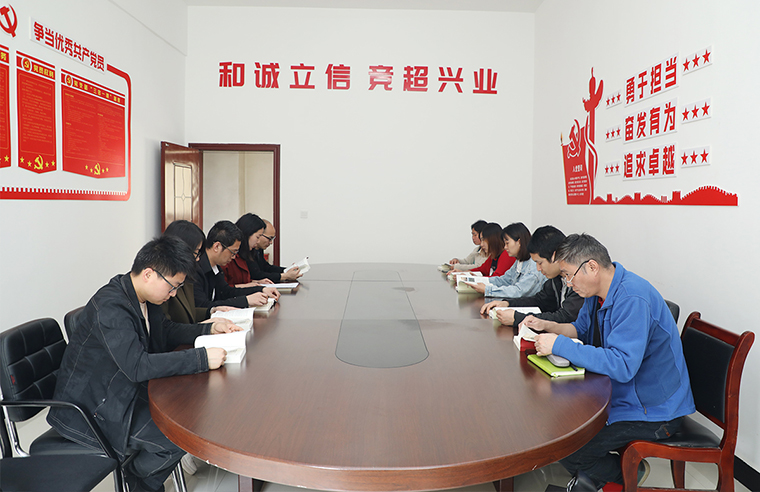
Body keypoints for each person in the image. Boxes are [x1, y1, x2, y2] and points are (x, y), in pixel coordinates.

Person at [47, 236, 242, 492]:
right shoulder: (111, 306)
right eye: (172, 287)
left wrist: (208, 328)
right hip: (93, 408)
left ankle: (139, 480)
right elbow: (137, 366)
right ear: (149, 274)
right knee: (178, 436)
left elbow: (165, 330)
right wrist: (201, 358)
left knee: (189, 413)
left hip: (122, 391)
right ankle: (138, 481)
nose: (174, 294)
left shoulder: (144, 296)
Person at [523, 234, 695, 491]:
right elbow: (580, 329)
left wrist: (559, 345)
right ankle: (591, 482)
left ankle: (630, 472)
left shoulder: (632, 297)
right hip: (625, 394)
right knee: (559, 426)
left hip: (654, 410)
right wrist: (548, 326)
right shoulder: (597, 293)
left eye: (568, 275)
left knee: (570, 449)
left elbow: (623, 366)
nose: (568, 284)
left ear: (592, 267)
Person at [480, 225, 583, 328]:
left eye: (540, 263)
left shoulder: (578, 279)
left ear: (555, 256)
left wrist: (518, 318)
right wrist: (507, 303)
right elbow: (539, 300)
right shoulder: (556, 278)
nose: (538, 269)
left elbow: (565, 317)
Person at [194, 220, 280, 312]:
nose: (234, 257)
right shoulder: (197, 269)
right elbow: (203, 306)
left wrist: (261, 289)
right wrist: (246, 301)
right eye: (233, 252)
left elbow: (227, 292)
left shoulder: (215, 266)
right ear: (217, 247)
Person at [464, 222, 544, 297]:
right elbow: (504, 280)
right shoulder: (519, 262)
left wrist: (488, 290)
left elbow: (518, 291)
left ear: (519, 242)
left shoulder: (533, 265)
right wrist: (476, 280)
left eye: (507, 243)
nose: (505, 247)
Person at [221, 213, 274, 288]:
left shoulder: (246, 254)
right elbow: (224, 289)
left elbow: (243, 281)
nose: (258, 241)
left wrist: (255, 282)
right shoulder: (227, 256)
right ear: (248, 233)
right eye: (257, 237)